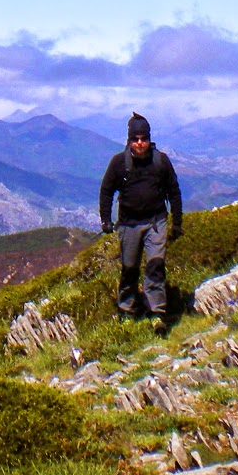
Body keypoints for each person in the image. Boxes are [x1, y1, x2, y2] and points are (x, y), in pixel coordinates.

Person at [98, 112, 183, 332]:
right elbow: (106, 190)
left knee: (156, 266)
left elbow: (174, 191)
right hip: (129, 224)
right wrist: (106, 220)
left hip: (156, 222)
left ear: (149, 139)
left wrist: (177, 223)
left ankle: (157, 313)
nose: (139, 143)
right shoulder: (119, 163)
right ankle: (127, 310)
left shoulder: (160, 161)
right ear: (129, 140)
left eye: (143, 138)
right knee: (130, 268)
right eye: (135, 139)